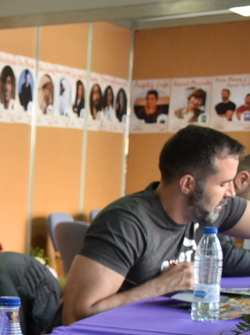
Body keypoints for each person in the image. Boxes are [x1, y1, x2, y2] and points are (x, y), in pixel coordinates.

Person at [63, 125, 250, 324]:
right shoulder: (126, 222)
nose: (231, 192)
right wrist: (161, 286)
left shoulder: (212, 207)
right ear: (188, 185)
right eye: (222, 184)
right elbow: (76, 315)